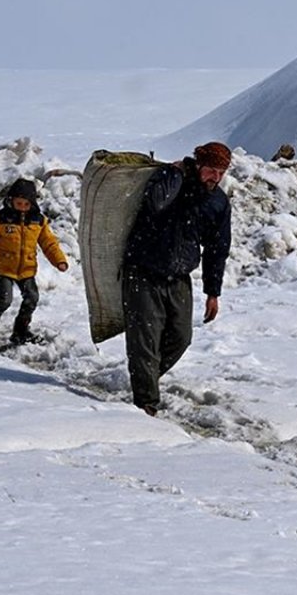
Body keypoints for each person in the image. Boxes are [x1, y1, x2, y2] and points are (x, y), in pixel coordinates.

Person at [121, 142, 232, 416]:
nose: (215, 178)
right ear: (198, 165)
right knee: (145, 336)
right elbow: (156, 203)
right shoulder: (170, 179)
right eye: (210, 170)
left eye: (220, 173)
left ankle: (145, 378)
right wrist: (176, 175)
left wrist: (213, 291)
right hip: (143, 269)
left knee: (181, 337)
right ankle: (145, 404)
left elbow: (217, 248)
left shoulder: (217, 202)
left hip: (179, 277)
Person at [0, 178, 68, 347]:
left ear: (32, 204)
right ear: (10, 200)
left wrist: (59, 261)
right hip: (4, 268)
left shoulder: (38, 221)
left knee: (32, 298)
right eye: (19, 203)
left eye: (26, 204)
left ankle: (20, 331)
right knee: (5, 300)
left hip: (26, 269)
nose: (22, 207)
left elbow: (49, 243)